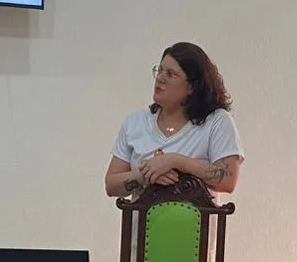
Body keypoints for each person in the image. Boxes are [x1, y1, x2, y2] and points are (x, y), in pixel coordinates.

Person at [104, 42, 243, 198]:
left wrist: (174, 161)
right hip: (142, 222)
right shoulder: (135, 122)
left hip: (195, 221)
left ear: (192, 87)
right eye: (160, 70)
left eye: (171, 74)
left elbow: (228, 180)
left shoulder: (217, 121)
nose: (160, 79)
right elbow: (111, 186)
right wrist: (147, 174)